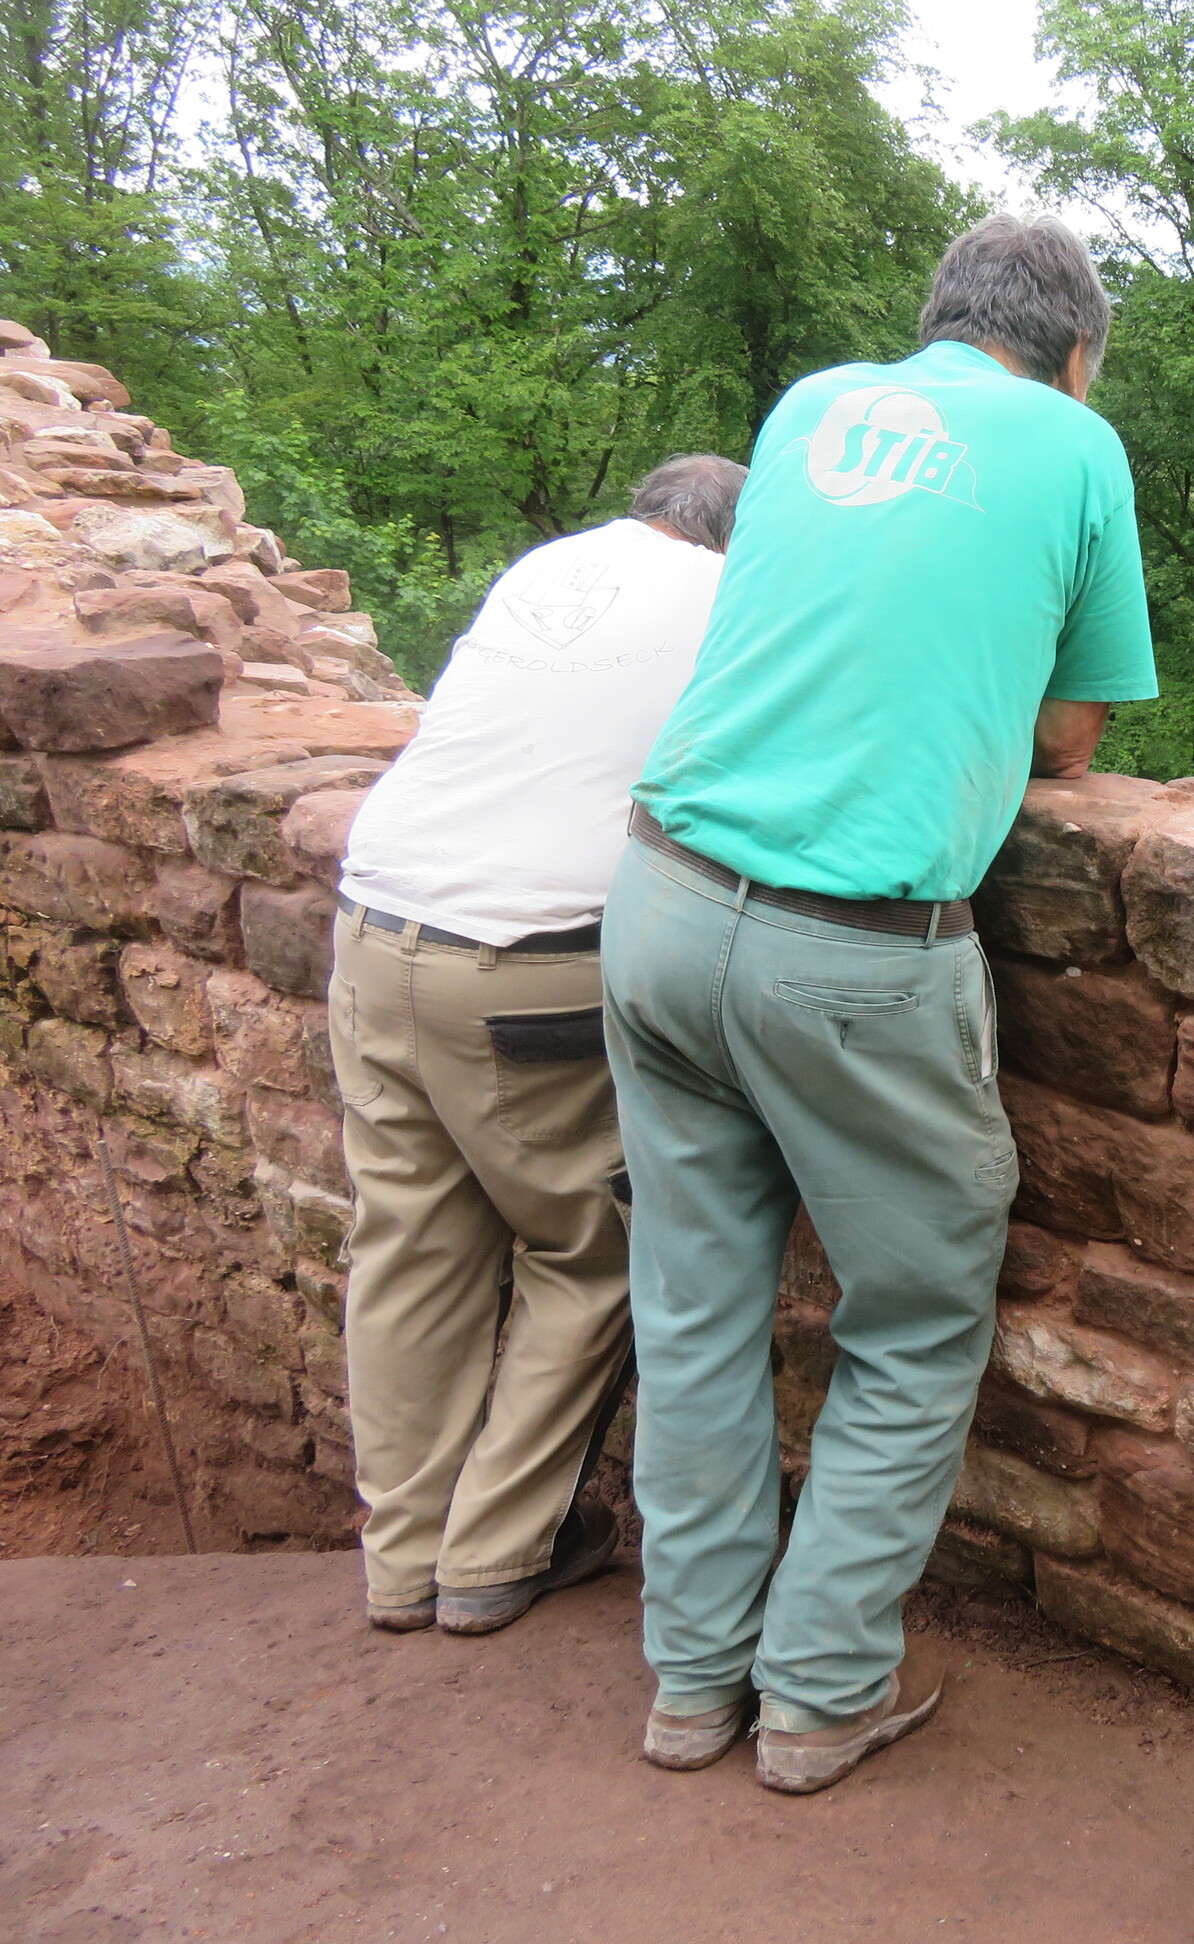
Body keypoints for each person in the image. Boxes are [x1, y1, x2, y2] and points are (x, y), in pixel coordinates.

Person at [604, 214, 1157, 1794]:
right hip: (850, 944)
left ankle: (692, 1684)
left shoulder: (812, 406)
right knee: (913, 1324)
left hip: (659, 898)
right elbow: (1069, 737)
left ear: (938, 321)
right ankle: (820, 1694)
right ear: (1072, 354)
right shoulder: (1074, 443)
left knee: (692, 1309)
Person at [331, 454, 749, 1637]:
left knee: (408, 1251)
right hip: (532, 960)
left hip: (375, 923)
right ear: (735, 535)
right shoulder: (727, 596)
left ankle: (400, 1561)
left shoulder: (547, 567)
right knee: (593, 1248)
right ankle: (495, 1552)